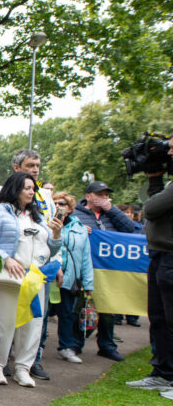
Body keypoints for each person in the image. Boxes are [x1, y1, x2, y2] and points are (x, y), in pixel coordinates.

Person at [0, 172, 62, 387]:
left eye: (32, 188)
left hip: (35, 277)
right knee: (2, 321)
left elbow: (51, 250)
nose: (31, 192)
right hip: (7, 276)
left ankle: (22, 367)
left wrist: (56, 236)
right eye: (27, 187)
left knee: (33, 323)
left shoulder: (38, 216)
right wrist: (5, 259)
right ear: (14, 188)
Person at [71, 180, 137, 361]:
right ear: (88, 196)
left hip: (107, 271)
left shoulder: (111, 215)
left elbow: (130, 229)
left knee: (107, 309)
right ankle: (76, 343)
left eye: (107, 194)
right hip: (84, 269)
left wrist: (112, 209)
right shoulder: (77, 214)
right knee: (81, 308)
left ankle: (107, 346)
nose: (104, 197)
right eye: (100, 194)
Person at [126, 143, 173, 391]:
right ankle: (163, 373)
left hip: (169, 257)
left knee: (169, 318)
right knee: (159, 317)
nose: (169, 153)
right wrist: (155, 179)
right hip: (160, 255)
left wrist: (156, 183)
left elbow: (151, 209)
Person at [50, 192, 94, 364]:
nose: (58, 206)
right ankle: (36, 347)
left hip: (69, 280)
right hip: (48, 276)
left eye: (62, 203)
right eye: (54, 203)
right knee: (41, 315)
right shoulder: (45, 223)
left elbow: (85, 257)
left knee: (67, 314)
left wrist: (88, 283)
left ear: (69, 208)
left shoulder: (79, 229)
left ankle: (66, 347)